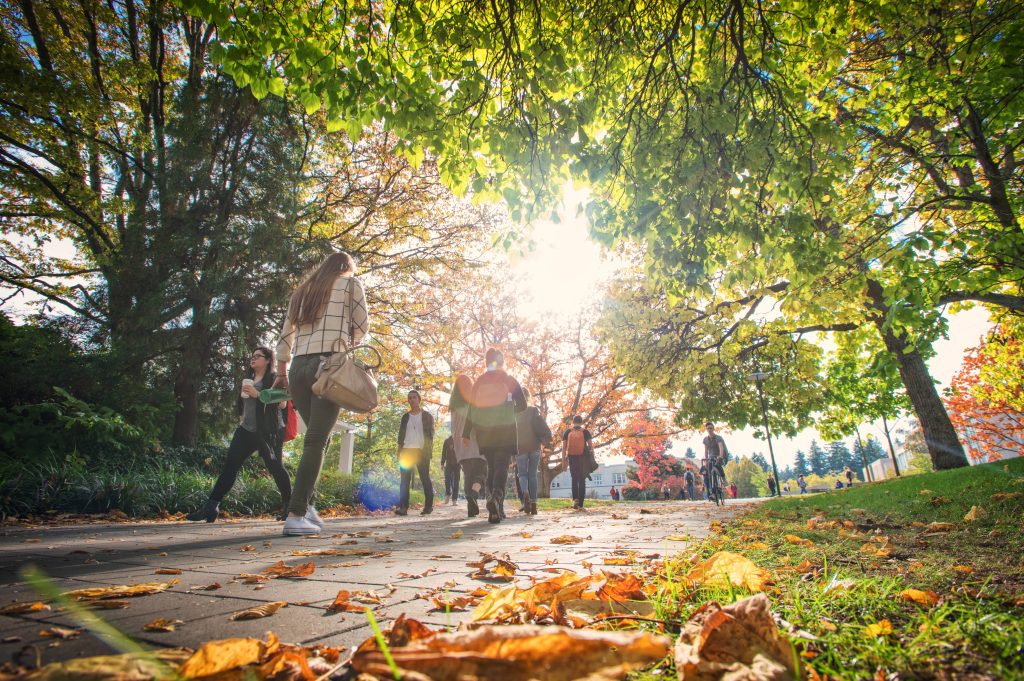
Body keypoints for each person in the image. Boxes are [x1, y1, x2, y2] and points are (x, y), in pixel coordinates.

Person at [274, 251, 369, 535]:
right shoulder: (351, 285)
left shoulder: (302, 292)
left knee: (320, 436)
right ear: (347, 268)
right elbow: (362, 327)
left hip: (298, 370)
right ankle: (295, 513)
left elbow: (284, 335)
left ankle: (308, 503)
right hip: (328, 368)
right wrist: (348, 338)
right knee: (316, 440)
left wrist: (281, 371)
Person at [187, 347, 291, 523]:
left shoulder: (274, 379)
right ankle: (211, 507)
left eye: (258, 356)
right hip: (246, 430)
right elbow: (242, 404)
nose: (253, 358)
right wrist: (241, 417)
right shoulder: (248, 380)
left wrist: (259, 394)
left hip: (268, 432)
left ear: (267, 360)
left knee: (275, 467)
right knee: (230, 466)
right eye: (252, 356)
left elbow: (282, 404)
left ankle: (291, 507)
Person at [463, 349, 526, 523]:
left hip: (485, 431)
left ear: (487, 362)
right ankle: (497, 499)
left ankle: (495, 511)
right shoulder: (509, 380)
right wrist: (507, 410)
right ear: (502, 361)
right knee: (501, 467)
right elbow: (522, 405)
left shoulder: (480, 382)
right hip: (505, 430)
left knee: (492, 467)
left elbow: (471, 409)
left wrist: (466, 433)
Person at [449, 375, 487, 518]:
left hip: (461, 443)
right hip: (476, 441)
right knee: (481, 473)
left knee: (468, 475)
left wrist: (454, 443)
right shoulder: (475, 402)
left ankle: (471, 504)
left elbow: (453, 428)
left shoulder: (454, 406)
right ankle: (473, 494)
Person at [395, 389, 435, 515]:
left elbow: (430, 435)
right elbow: (401, 435)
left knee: (425, 479)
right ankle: (403, 507)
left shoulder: (427, 416)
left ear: (419, 399)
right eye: (410, 398)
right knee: (404, 480)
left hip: (421, 451)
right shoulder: (405, 417)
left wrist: (428, 451)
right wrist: (399, 450)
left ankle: (428, 506)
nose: (412, 399)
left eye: (414, 397)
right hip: (407, 451)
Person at [515, 388, 552, 515]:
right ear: (528, 397)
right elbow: (540, 425)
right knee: (532, 475)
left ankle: (525, 494)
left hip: (520, 447)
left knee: (522, 475)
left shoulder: (514, 413)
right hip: (535, 446)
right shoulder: (533, 410)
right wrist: (546, 441)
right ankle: (534, 503)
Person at [561, 415, 594, 511]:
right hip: (583, 458)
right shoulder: (585, 432)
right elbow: (591, 446)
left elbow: (563, 448)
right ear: (581, 422)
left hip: (572, 457)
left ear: (573, 422)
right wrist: (592, 459)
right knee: (582, 480)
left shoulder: (567, 432)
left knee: (574, 478)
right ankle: (581, 504)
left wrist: (564, 461)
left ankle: (575, 499)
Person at [440, 435, 460, 505]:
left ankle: (454, 499)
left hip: (458, 464)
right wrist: (442, 463)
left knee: (456, 481)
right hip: (449, 463)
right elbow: (443, 453)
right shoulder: (447, 441)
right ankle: (448, 494)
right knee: (447, 478)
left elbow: (463, 452)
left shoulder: (459, 440)